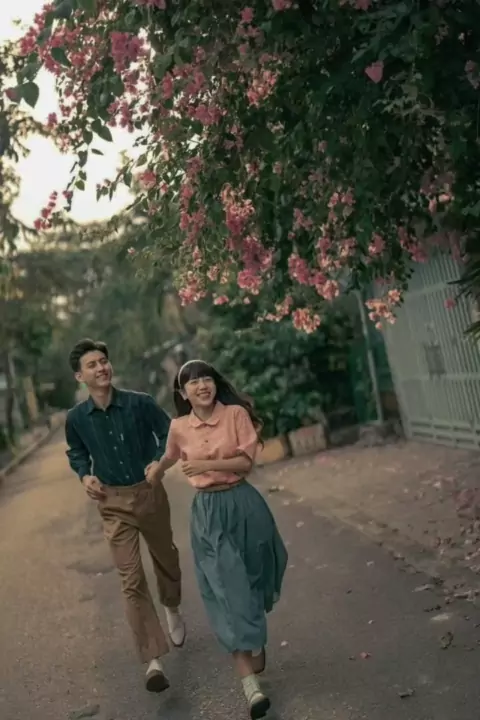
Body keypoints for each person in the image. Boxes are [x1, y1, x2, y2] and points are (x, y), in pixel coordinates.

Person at [150, 359, 288, 720]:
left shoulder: (236, 415)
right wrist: (156, 471)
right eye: (193, 382)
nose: (202, 386)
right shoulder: (179, 427)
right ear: (182, 393)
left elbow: (245, 463)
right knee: (227, 592)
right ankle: (250, 688)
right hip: (208, 515)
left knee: (256, 579)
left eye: (206, 379)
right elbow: (169, 456)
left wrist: (207, 465)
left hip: (244, 505)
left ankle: (255, 636)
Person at [65, 338, 185, 693]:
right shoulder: (76, 419)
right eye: (92, 365)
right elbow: (77, 452)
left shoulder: (140, 403)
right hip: (113, 502)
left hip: (148, 492)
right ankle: (152, 660)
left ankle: (172, 606)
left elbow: (169, 434)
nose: (101, 368)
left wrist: (158, 464)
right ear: (79, 376)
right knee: (131, 580)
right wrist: (85, 476)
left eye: (103, 361)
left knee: (167, 559)